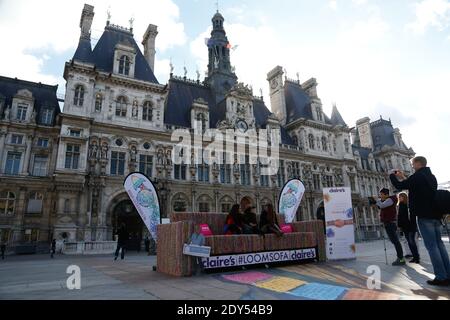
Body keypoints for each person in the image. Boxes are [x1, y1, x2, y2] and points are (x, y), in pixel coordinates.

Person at [390, 156, 450, 286]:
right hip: (436, 215)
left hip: (424, 215)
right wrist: (404, 176)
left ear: (418, 163)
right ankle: (448, 274)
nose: (411, 166)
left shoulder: (417, 177)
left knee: (432, 247)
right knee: (439, 245)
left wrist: (392, 175)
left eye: (412, 164)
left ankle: (441, 277)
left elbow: (399, 186)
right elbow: (413, 185)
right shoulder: (431, 177)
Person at [374, 188, 405, 266]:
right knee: (394, 241)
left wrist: (376, 200)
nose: (380, 196)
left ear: (386, 195)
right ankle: (400, 257)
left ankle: (401, 258)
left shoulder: (390, 200)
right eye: (380, 194)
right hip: (388, 223)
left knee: (395, 241)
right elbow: (381, 206)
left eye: (381, 194)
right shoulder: (387, 200)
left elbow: (382, 205)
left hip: (390, 223)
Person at [398, 193, 420, 263]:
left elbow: (413, 215)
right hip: (405, 227)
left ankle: (417, 257)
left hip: (411, 226)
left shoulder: (408, 205)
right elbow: (399, 216)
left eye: (401, 197)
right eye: (399, 197)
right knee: (409, 242)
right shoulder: (400, 205)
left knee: (411, 241)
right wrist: (399, 226)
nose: (400, 198)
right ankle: (414, 256)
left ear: (405, 197)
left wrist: (413, 224)